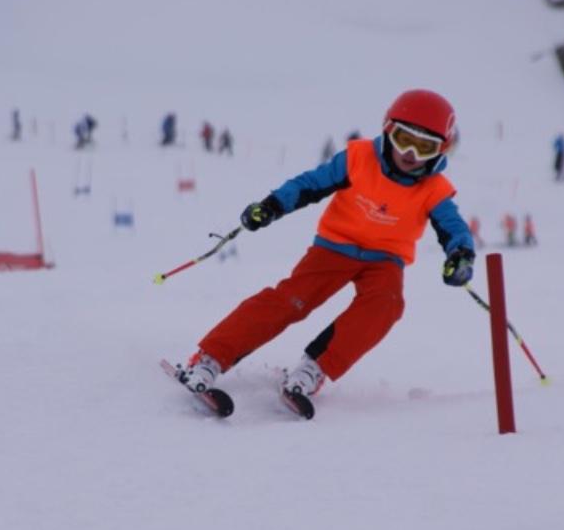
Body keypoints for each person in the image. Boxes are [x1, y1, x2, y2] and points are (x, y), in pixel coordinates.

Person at [175, 89, 474, 399]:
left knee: (386, 304)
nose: (410, 152)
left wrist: (461, 255)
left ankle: (314, 369)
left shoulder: (434, 189)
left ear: (442, 150)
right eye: (403, 138)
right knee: (292, 300)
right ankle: (210, 358)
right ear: (387, 130)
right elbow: (309, 185)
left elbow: (453, 227)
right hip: (334, 247)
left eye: (425, 146)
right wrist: (272, 205)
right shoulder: (358, 159)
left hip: (385, 259)